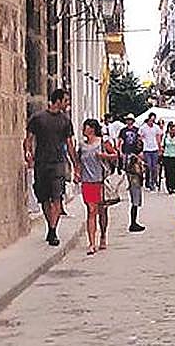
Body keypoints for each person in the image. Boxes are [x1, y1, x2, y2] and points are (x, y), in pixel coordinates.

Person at [25, 89, 78, 246]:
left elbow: (69, 144)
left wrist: (75, 164)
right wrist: (28, 153)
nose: (67, 104)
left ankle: (53, 231)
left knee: (56, 198)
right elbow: (29, 138)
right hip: (41, 163)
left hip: (58, 164)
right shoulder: (38, 118)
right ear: (58, 100)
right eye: (66, 100)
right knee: (44, 198)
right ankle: (50, 226)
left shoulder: (65, 121)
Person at [75, 118, 117, 254]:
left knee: (101, 211)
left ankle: (103, 235)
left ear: (92, 128)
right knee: (91, 210)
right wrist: (77, 173)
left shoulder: (102, 142)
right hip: (87, 182)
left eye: (85, 127)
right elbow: (78, 161)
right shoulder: (81, 145)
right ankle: (91, 242)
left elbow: (115, 155)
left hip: (100, 181)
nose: (83, 130)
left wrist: (103, 156)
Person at [139, 112, 164, 190]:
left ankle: (153, 182)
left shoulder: (156, 127)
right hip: (147, 149)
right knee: (148, 166)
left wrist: (160, 148)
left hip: (154, 148)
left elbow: (158, 137)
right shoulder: (143, 127)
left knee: (154, 167)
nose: (152, 121)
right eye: (151, 120)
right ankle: (148, 182)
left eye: (153, 120)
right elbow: (139, 137)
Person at [125, 151, 147, 232]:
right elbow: (139, 173)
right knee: (135, 203)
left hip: (134, 183)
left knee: (135, 204)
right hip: (135, 183)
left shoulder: (132, 161)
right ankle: (133, 223)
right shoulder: (134, 163)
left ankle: (134, 222)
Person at [161, 121, 175, 194]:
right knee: (167, 172)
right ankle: (168, 187)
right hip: (167, 156)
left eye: (174, 130)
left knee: (174, 172)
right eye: (171, 129)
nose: (173, 131)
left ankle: (173, 186)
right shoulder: (165, 137)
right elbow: (162, 146)